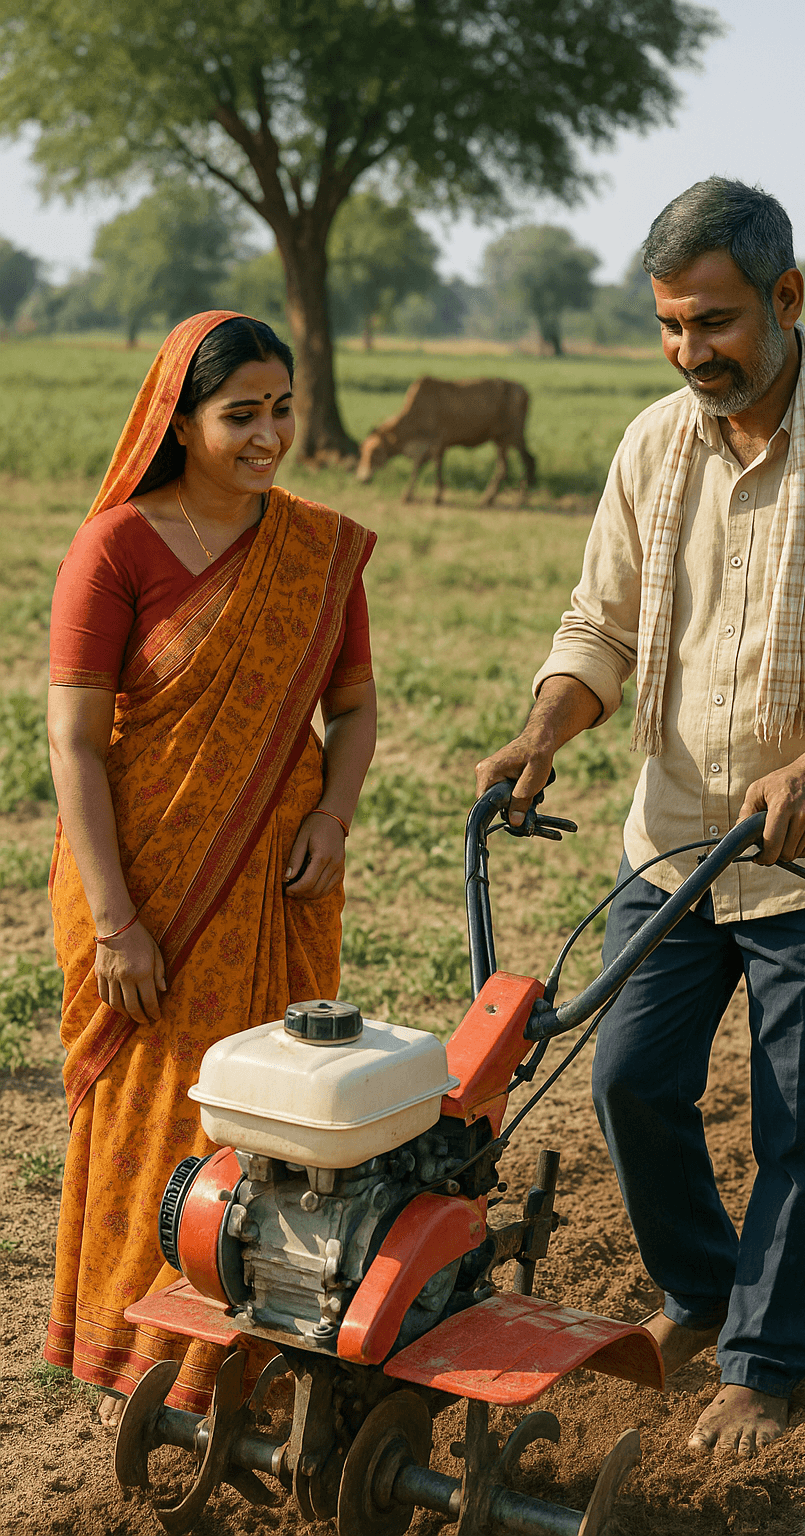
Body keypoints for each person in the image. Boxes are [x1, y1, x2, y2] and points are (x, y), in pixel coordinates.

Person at [476, 180, 805, 1460]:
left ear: (785, 299)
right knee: (628, 1078)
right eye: (668, 327)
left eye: (712, 323)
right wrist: (545, 726)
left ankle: (760, 1359)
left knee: (797, 1121)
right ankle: (705, 1289)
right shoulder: (653, 444)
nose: (691, 353)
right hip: (674, 840)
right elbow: (602, 625)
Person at [43, 311, 377, 1429]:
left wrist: (334, 813)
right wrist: (117, 920)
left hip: (278, 877)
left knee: (270, 1116)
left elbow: (355, 705)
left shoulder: (320, 549)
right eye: (242, 414)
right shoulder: (117, 548)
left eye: (281, 409)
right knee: (156, 1110)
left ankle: (259, 1365)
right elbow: (75, 744)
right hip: (148, 877)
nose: (269, 434)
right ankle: (142, 1364)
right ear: (177, 422)